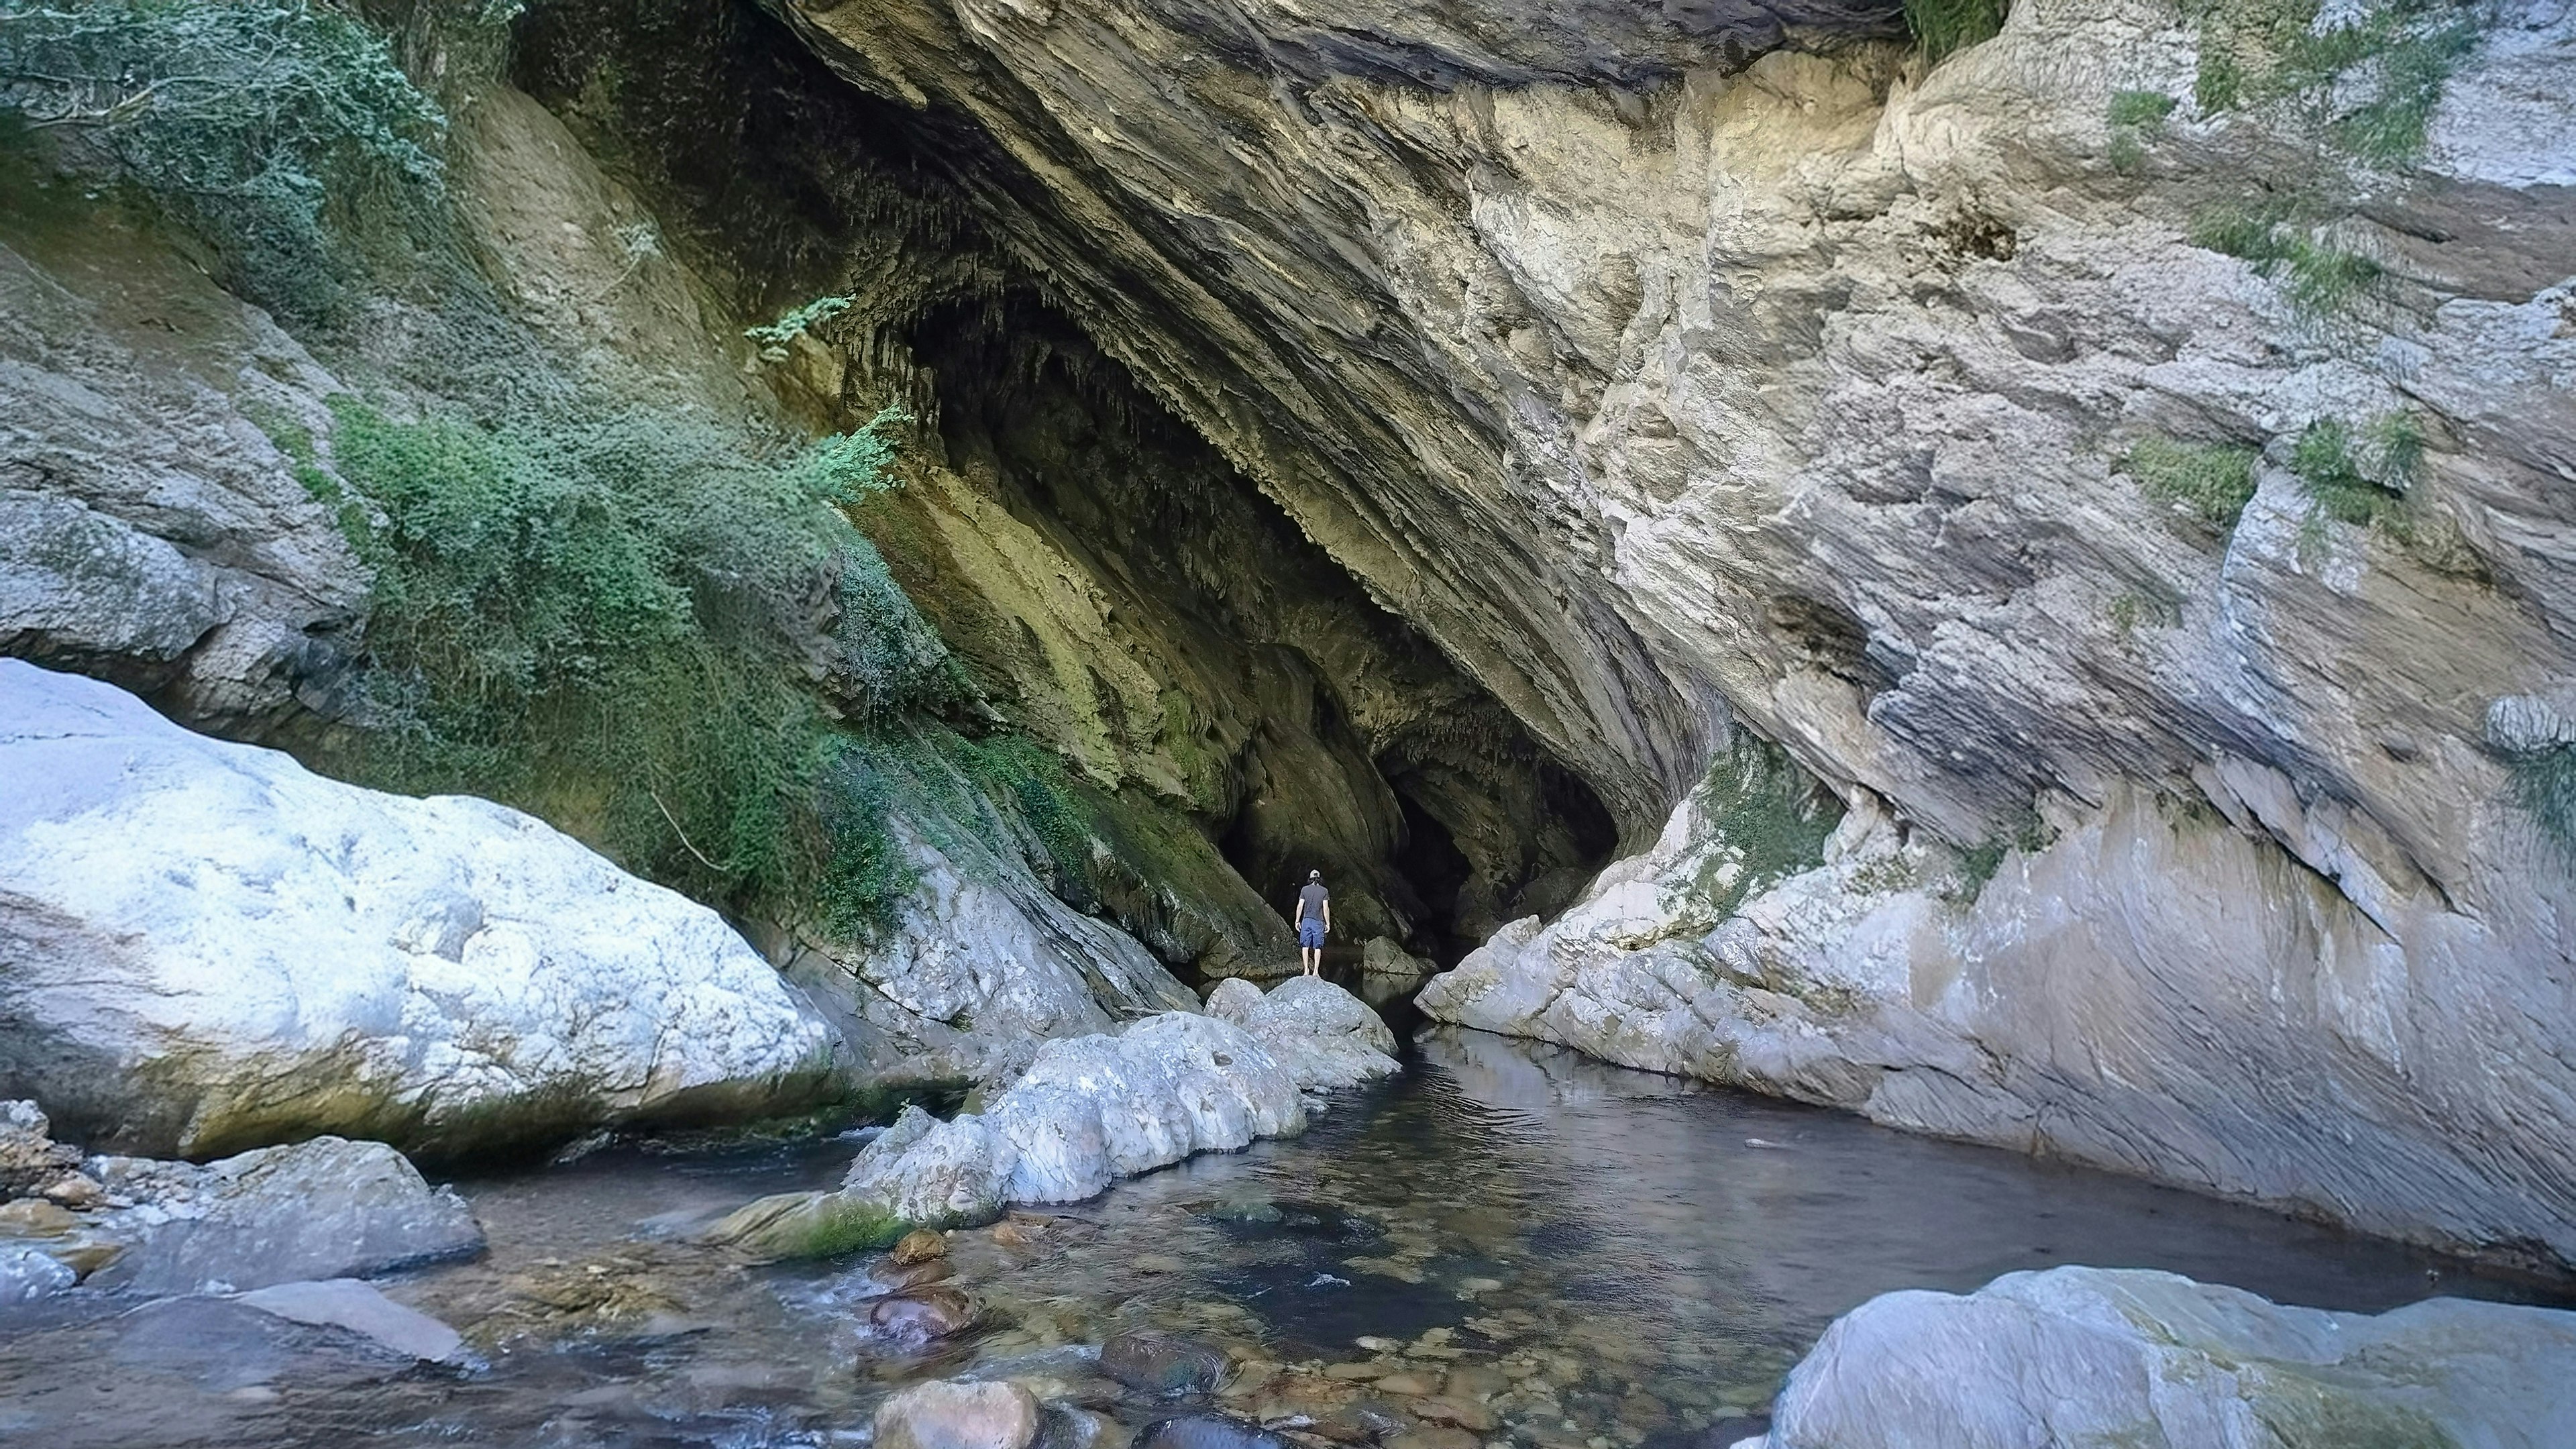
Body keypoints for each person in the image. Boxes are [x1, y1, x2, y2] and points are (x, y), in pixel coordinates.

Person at [1293, 869, 1330, 976]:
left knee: (1305, 946)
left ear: (1310, 879)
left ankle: (1306, 971)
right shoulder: (1324, 891)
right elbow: (1325, 908)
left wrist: (1297, 920)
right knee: (1317, 947)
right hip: (1318, 922)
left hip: (1306, 921)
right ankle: (1316, 972)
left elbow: (1300, 906)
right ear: (1320, 879)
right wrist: (1328, 923)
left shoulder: (1305, 890)